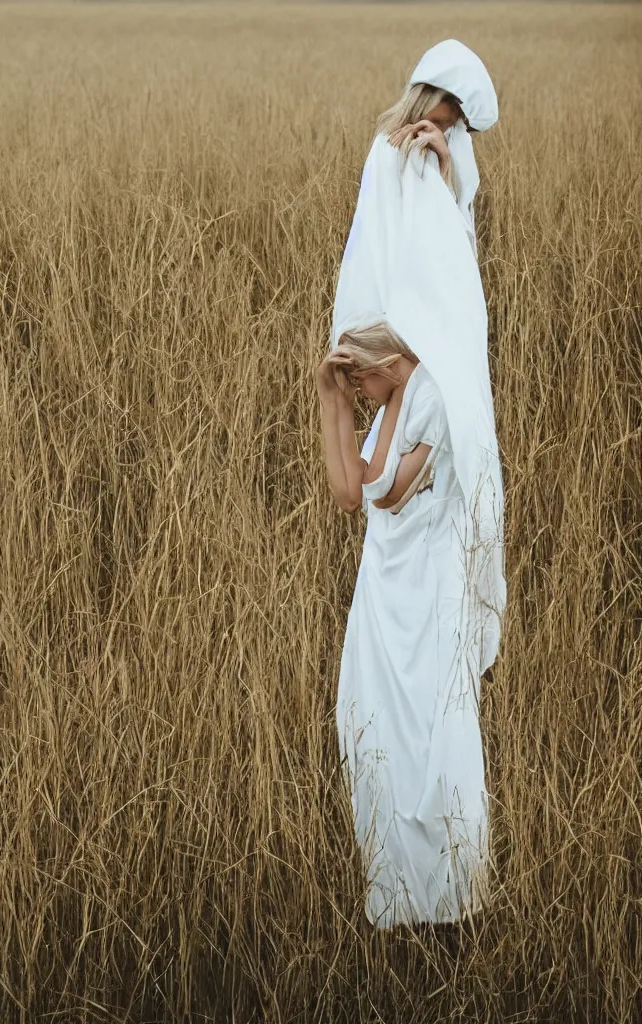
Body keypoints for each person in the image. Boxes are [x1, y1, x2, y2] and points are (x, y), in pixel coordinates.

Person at [317, 39, 508, 929]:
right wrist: (359, 381)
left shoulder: (420, 398)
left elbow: (439, 286)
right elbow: (442, 291)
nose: (454, 139)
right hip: (407, 408)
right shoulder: (402, 166)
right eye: (453, 125)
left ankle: (429, 892)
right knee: (401, 712)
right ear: (441, 109)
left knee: (409, 712)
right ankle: (424, 892)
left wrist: (450, 179)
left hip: (409, 433)